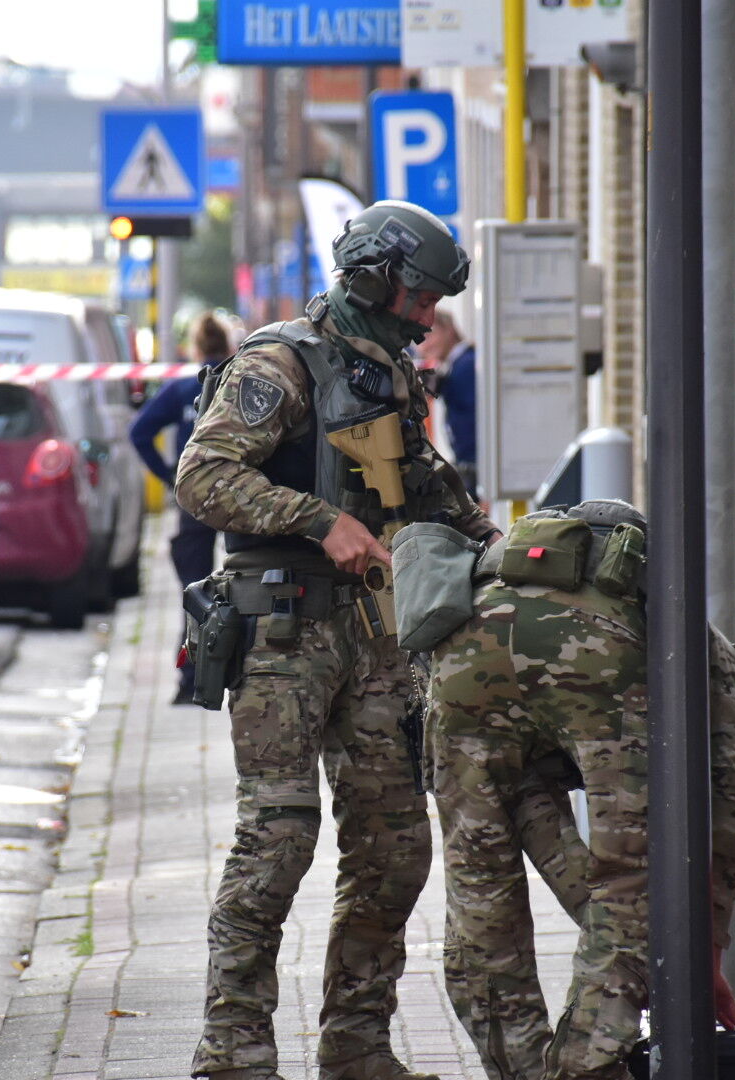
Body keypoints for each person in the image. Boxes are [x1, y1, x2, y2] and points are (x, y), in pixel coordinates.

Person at [176, 200, 503, 1080]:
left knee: (395, 846)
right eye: (421, 297)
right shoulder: (280, 362)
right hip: (282, 634)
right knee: (278, 837)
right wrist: (320, 521)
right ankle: (234, 1051)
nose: (429, 317)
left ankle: (356, 1046)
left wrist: (507, 554)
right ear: (375, 278)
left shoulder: (390, 373)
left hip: (375, 638)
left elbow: (433, 492)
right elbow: (203, 476)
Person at [425, 501, 735, 1080]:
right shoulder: (696, 639)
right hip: (597, 659)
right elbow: (724, 806)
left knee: (480, 888)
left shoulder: (503, 582)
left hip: (464, 652)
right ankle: (583, 1068)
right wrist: (703, 951)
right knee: (633, 886)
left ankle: (522, 1070)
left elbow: (526, 805)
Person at [129, 311, 231, 704]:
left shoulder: (183, 388)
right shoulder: (241, 383)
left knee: (196, 593)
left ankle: (191, 680)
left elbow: (139, 432)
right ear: (230, 346)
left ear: (196, 348)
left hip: (195, 499)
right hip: (240, 495)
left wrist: (170, 476)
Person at [415, 308, 477, 496]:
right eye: (418, 341)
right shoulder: (455, 366)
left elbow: (477, 423)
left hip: (478, 469)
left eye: (429, 336)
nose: (423, 347)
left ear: (448, 329)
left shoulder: (466, 365)